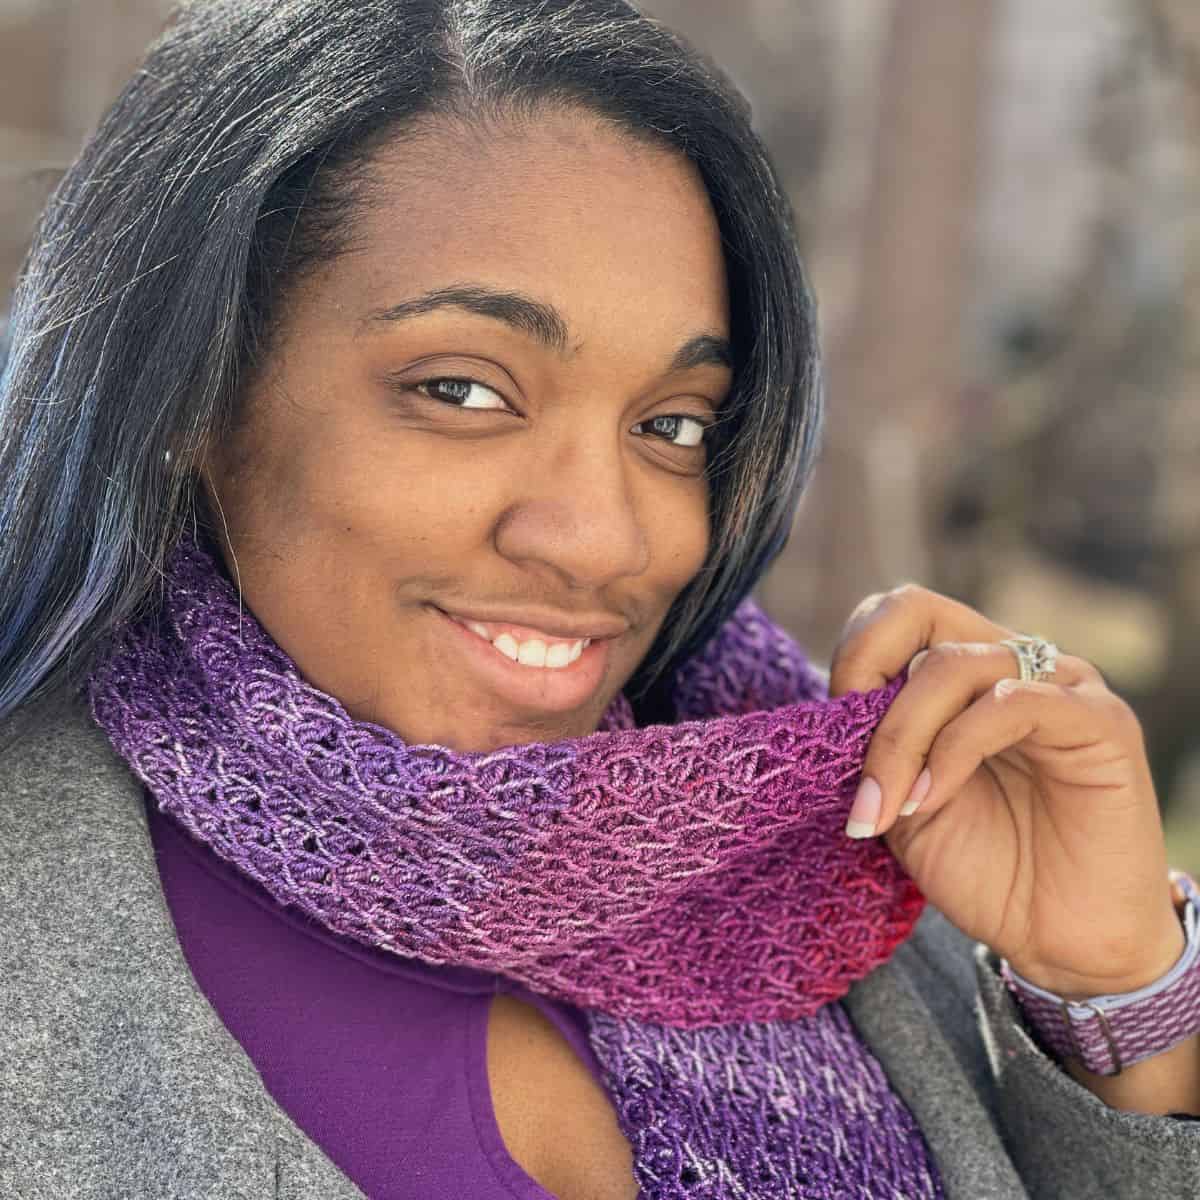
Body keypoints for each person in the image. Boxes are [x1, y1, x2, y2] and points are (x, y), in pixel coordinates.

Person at [1, 1, 1198, 1197]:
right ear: (192, 400)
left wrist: (1115, 993)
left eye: (671, 426)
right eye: (464, 391)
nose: (606, 539)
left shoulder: (799, 862)